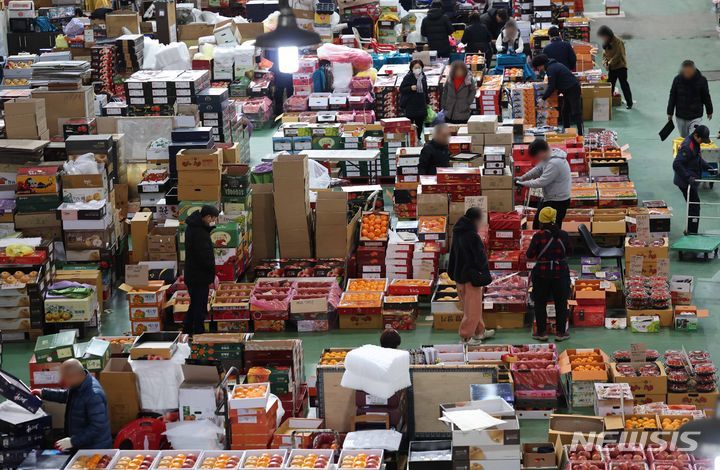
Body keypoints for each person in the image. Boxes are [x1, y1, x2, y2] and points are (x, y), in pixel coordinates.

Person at [31, 359, 112, 451]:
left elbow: (97, 427)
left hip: (94, 450)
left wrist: (73, 441)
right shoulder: (80, 384)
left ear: (74, 376)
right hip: (83, 445)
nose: (62, 382)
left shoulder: (94, 395)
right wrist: (43, 393)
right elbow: (66, 395)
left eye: (65, 378)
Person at [448, 207, 495, 344]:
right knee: (473, 310)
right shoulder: (472, 236)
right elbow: (480, 258)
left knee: (471, 308)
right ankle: (466, 337)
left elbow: (453, 254)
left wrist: (452, 273)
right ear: (475, 220)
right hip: (471, 277)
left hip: (459, 276)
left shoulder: (458, 232)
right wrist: (484, 271)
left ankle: (479, 331)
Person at [526, 207, 572, 342]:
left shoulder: (538, 236)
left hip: (541, 274)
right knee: (561, 303)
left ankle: (541, 332)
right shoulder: (563, 235)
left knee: (540, 303)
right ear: (554, 219)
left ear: (541, 220)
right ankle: (561, 333)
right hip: (561, 273)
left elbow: (529, 254)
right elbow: (570, 252)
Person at [515, 139, 571, 229]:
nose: (537, 159)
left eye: (537, 157)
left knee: (548, 228)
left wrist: (522, 183)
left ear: (541, 152)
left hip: (558, 202)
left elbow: (541, 182)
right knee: (538, 226)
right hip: (550, 198)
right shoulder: (549, 157)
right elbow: (537, 169)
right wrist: (522, 178)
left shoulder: (555, 163)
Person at [184, 205, 219, 334]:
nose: (213, 221)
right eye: (212, 219)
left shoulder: (193, 227)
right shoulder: (200, 233)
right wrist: (212, 272)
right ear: (207, 217)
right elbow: (204, 256)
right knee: (200, 306)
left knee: (194, 304)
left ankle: (187, 330)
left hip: (193, 274)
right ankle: (199, 332)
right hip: (198, 276)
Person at [673, 125, 714, 234]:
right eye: (702, 140)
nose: (702, 142)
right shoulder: (688, 146)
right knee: (694, 206)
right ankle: (692, 232)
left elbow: (697, 158)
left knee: (693, 206)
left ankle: (691, 230)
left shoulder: (695, 143)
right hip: (685, 182)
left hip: (691, 180)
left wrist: (709, 168)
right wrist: (688, 177)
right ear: (696, 135)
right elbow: (677, 164)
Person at [532, 54, 583, 135]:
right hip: (567, 90)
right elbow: (556, 83)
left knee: (575, 111)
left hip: (572, 89)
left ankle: (580, 133)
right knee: (565, 111)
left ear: (541, 65)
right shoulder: (553, 65)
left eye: (538, 67)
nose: (539, 70)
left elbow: (552, 86)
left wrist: (543, 99)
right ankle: (566, 130)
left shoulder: (551, 69)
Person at [667, 60, 714, 137]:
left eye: (689, 72)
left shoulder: (702, 80)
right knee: (684, 137)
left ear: (693, 70)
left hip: (696, 116)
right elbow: (672, 96)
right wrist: (670, 112)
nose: (687, 74)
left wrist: (709, 111)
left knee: (693, 136)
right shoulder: (677, 80)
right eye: (685, 72)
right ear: (683, 71)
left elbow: (706, 96)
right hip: (681, 116)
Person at [598, 25, 633, 110]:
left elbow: (619, 55)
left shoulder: (618, 42)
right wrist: (605, 63)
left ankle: (629, 103)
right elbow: (604, 55)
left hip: (621, 67)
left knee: (624, 84)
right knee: (610, 85)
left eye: (603, 36)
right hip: (612, 68)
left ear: (608, 35)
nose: (603, 38)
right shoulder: (606, 43)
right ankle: (608, 102)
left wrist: (609, 63)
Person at [399, 60, 430, 136]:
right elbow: (401, 89)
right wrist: (410, 88)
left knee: (420, 124)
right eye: (415, 68)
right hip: (411, 105)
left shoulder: (423, 76)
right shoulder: (408, 77)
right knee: (410, 125)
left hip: (421, 104)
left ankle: (418, 137)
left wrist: (427, 101)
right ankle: (410, 138)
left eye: (419, 67)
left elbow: (425, 90)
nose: (417, 69)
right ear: (411, 68)